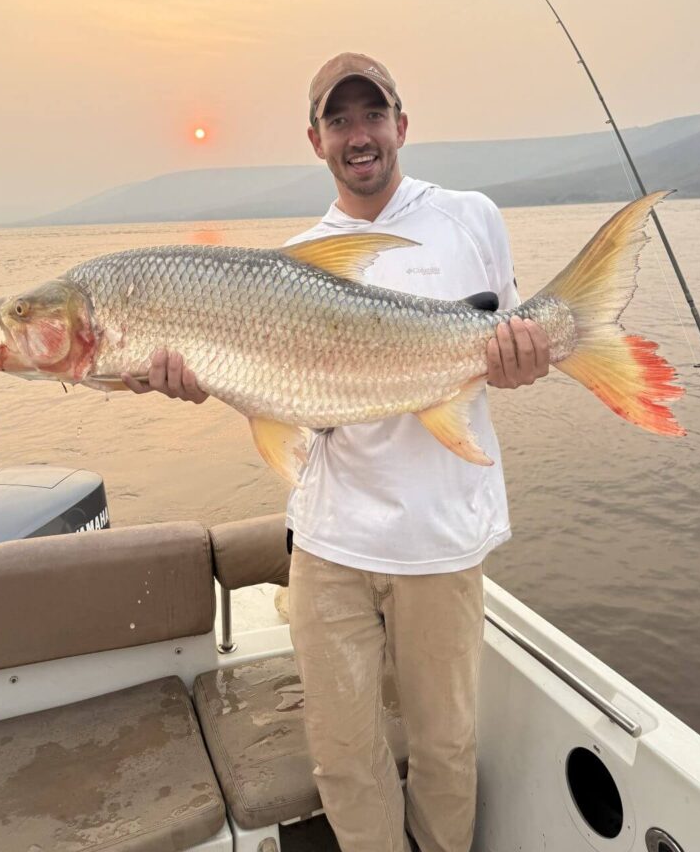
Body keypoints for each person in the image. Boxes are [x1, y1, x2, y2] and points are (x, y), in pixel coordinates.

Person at [124, 53, 550, 852]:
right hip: (330, 544)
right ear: (315, 139)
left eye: (372, 114)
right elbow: (293, 408)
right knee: (345, 757)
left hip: (442, 538)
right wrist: (196, 377)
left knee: (447, 747)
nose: (359, 134)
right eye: (339, 120)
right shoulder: (295, 263)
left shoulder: (470, 217)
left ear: (402, 125)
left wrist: (525, 358)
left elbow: (499, 344)